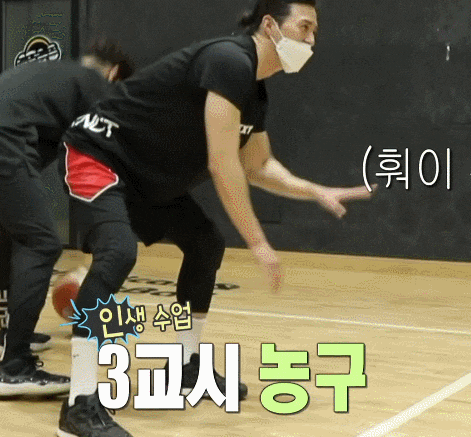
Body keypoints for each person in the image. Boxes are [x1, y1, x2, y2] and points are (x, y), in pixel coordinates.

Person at [56, 1, 375, 435]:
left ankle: (186, 369)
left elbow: (258, 165)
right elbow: (223, 163)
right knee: (117, 254)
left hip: (147, 177)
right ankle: (79, 406)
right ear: (269, 25)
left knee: (205, 246)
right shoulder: (228, 60)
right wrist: (258, 242)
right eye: (304, 27)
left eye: (315, 31)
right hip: (99, 154)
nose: (311, 40)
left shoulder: (254, 92)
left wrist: (314, 190)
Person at [0, 39, 133, 397]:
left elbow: (50, 157)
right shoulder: (94, 84)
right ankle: (13, 367)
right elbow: (99, 161)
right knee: (41, 242)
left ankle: (8, 334)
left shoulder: (50, 78)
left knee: (8, 231)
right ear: (114, 74)